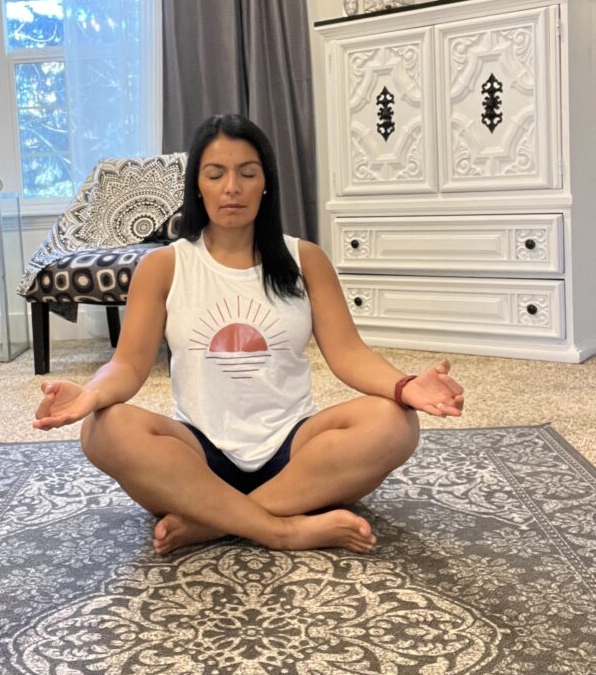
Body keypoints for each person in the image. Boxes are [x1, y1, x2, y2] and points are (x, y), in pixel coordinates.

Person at [33, 113, 464, 556]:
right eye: (215, 174)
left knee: (395, 422)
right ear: (197, 186)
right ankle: (285, 530)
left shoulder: (307, 259)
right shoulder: (163, 266)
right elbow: (127, 366)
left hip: (296, 452)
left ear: (266, 183)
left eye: (247, 173)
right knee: (103, 429)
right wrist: (91, 394)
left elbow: (348, 353)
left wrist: (406, 386)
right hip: (197, 456)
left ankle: (212, 522)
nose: (232, 187)